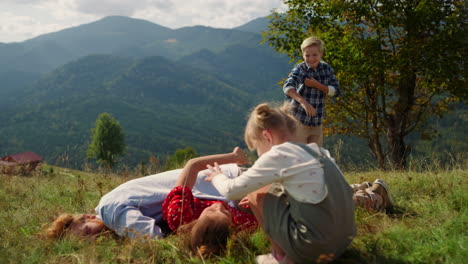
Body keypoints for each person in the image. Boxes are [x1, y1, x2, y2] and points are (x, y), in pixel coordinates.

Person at [205, 103, 356, 264]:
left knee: (256, 192)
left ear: (267, 137)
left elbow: (231, 191)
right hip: (344, 242)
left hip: (315, 250)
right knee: (272, 187)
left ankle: (280, 257)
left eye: (256, 148)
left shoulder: (278, 154)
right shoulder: (317, 151)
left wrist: (217, 176)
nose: (258, 155)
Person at [44, 148, 257, 244]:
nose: (94, 239)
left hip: (223, 187)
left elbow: (150, 236)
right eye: (88, 241)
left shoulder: (110, 211)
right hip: (219, 188)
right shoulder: (108, 203)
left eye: (87, 232)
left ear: (88, 218)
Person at [283, 36, 340, 146]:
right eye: (307, 55)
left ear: (321, 54)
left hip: (316, 122)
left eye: (315, 55)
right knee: (299, 156)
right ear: (303, 55)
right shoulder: (300, 69)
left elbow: (336, 91)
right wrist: (304, 103)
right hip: (298, 121)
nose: (311, 58)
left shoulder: (326, 69)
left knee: (316, 156)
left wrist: (317, 85)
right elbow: (287, 87)